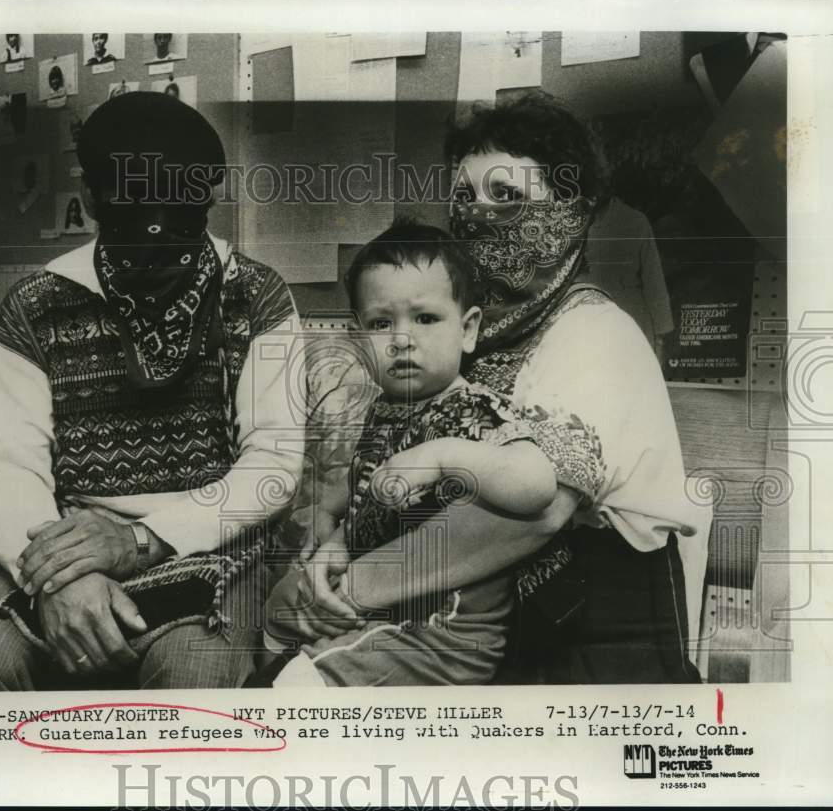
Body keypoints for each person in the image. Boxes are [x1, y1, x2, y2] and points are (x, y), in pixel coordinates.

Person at [270, 93, 711, 684]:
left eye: (506, 196)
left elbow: (537, 514)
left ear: (569, 209)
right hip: (480, 624)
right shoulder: (475, 335)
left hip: (591, 641)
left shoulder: (594, 331)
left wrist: (347, 586)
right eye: (465, 197)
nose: (478, 214)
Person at [0, 92, 305, 691]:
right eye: (134, 205)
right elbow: (8, 471)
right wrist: (61, 578)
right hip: (60, 541)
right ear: (94, 198)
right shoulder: (35, 305)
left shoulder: (256, 295)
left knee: (195, 680)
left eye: (178, 206)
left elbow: (274, 462)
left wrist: (140, 540)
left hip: (209, 545)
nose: (156, 229)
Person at [265, 222, 557, 687]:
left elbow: (538, 485)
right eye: (382, 324)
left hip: (446, 633)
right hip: (387, 613)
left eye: (425, 319)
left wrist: (443, 456)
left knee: (296, 685)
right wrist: (335, 536)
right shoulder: (384, 411)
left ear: (468, 330)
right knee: (274, 624)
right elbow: (367, 496)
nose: (402, 339)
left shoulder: (473, 410)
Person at [585, 196, 673, 359]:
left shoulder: (635, 221)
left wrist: (660, 337)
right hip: (585, 327)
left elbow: (654, 280)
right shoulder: (565, 221)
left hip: (631, 326)